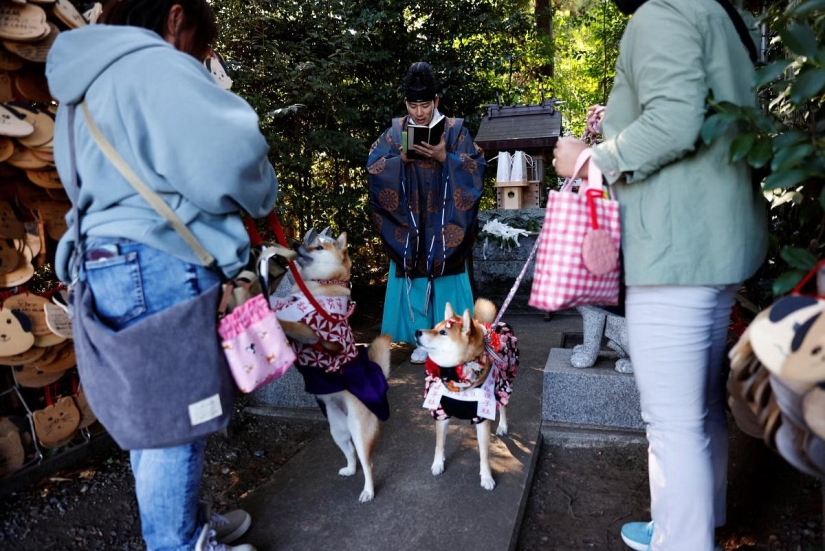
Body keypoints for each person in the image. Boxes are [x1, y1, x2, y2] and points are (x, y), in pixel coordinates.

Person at [45, 1, 279, 550]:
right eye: (200, 50)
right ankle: (176, 542)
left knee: (155, 412)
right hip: (159, 260)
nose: (198, 62)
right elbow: (233, 160)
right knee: (176, 417)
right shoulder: (152, 63)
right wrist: (262, 184)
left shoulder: (84, 84)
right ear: (177, 18)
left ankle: (185, 526)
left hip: (103, 263)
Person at [553, 1, 768, 550]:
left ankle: (682, 539)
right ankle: (694, 520)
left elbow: (675, 119)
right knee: (699, 402)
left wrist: (590, 160)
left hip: (677, 248)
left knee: (672, 423)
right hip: (722, 241)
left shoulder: (661, 12)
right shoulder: (722, 12)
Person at [367, 62, 485, 363]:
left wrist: (447, 157)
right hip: (411, 220)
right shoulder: (395, 133)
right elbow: (374, 167)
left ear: (436, 101)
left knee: (446, 268)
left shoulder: (456, 131)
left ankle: (456, 337)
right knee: (415, 267)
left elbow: (476, 169)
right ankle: (421, 338)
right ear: (406, 104)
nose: (419, 113)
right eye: (413, 106)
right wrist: (399, 160)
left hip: (444, 220)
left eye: (425, 105)